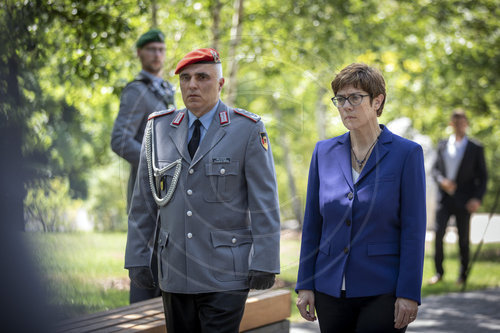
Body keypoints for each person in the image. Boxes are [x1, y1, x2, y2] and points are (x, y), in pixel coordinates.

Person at [124, 48, 280, 333]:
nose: (192, 85)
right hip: (174, 271)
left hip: (227, 274)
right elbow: (143, 202)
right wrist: (137, 257)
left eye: (202, 77)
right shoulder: (158, 128)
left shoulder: (246, 128)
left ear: (220, 84)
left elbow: (265, 201)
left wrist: (266, 261)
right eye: (185, 78)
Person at [295, 63, 427, 332]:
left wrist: (409, 292)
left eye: (355, 98)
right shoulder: (323, 152)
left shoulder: (407, 154)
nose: (346, 106)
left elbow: (413, 230)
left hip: (383, 288)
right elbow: (312, 225)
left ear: (377, 101)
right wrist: (305, 283)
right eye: (340, 99)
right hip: (329, 289)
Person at [111, 29, 175, 303]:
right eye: (151, 49)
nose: (157, 55)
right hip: (146, 192)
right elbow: (120, 140)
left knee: (166, 267)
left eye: (161, 49)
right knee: (145, 271)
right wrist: (158, 164)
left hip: (169, 192)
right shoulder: (137, 91)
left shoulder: (166, 89)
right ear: (139, 53)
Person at [429, 109, 487, 286]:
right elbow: (435, 170)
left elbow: (483, 176)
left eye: (462, 122)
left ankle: (463, 275)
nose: (459, 125)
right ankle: (439, 273)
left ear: (466, 124)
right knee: (438, 235)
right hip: (444, 199)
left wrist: (477, 198)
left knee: (463, 238)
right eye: (456, 122)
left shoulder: (475, 147)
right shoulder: (443, 144)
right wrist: (442, 181)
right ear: (451, 124)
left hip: (465, 200)